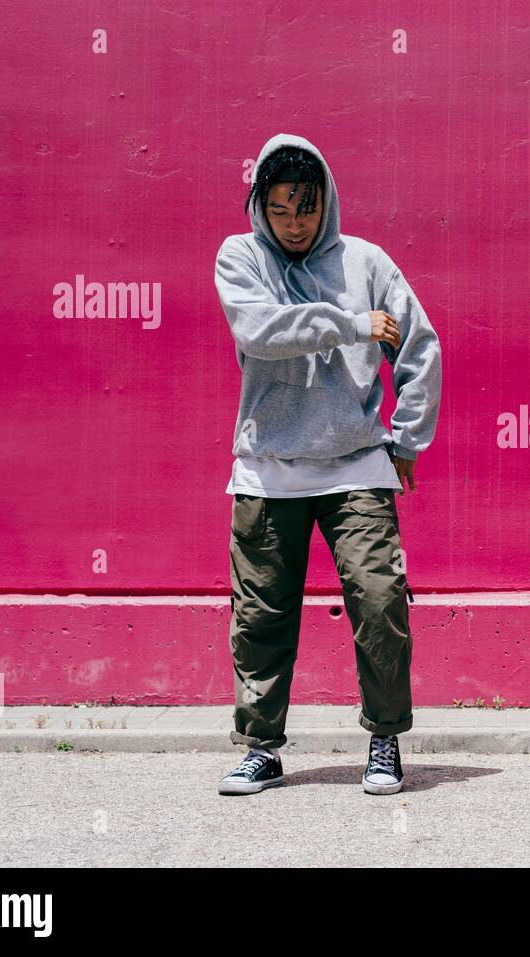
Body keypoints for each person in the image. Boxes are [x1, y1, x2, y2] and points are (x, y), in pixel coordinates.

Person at [213, 133, 441, 797]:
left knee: (380, 602)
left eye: (305, 209)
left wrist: (407, 440)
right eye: (280, 209)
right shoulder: (241, 257)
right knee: (260, 615)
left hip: (356, 465)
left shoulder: (367, 262)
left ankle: (384, 738)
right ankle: (262, 745)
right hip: (266, 465)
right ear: (260, 204)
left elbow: (419, 345)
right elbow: (262, 331)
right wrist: (351, 323)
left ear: (326, 202)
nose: (293, 223)